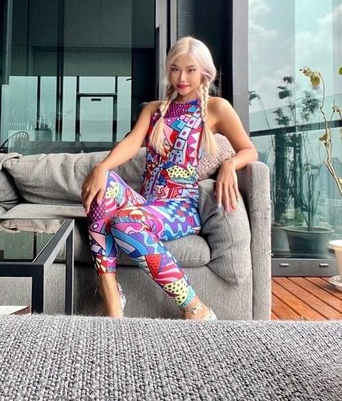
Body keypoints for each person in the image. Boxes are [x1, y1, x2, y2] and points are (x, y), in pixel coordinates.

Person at [81, 36, 257, 320]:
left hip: (181, 208)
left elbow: (249, 150)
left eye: (190, 70)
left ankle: (195, 307)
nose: (182, 78)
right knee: (102, 183)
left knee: (124, 222)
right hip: (147, 202)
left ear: (204, 71)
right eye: (175, 69)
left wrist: (229, 164)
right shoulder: (153, 110)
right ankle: (111, 294)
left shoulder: (216, 108)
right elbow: (132, 143)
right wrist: (102, 167)